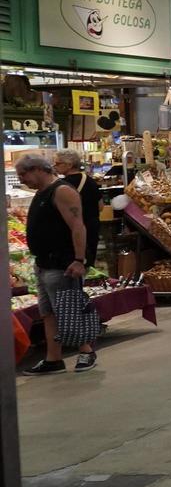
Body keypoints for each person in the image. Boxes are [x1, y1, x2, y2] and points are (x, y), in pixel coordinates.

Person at [15, 154, 96, 374]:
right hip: (43, 264)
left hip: (63, 263)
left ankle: (87, 351)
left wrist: (79, 260)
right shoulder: (41, 193)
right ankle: (54, 359)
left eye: (23, 174)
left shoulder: (62, 191)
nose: (22, 180)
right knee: (48, 313)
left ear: (38, 169)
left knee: (70, 310)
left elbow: (78, 226)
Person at [53, 150, 101, 267]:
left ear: (69, 165)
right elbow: (101, 206)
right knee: (88, 264)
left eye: (58, 163)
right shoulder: (89, 180)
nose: (54, 166)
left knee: (74, 266)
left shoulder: (61, 186)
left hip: (71, 233)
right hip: (92, 229)